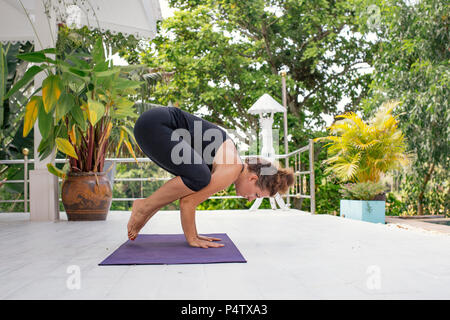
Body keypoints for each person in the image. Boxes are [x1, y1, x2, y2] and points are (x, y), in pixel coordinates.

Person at [127, 106, 295, 248]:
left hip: (152, 124)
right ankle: (143, 207)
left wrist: (196, 234)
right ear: (253, 179)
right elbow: (188, 202)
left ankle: (146, 209)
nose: (250, 199)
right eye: (256, 194)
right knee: (200, 178)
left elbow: (183, 193)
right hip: (156, 125)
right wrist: (193, 238)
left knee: (195, 178)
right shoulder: (232, 168)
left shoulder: (230, 160)